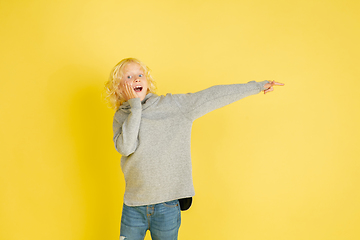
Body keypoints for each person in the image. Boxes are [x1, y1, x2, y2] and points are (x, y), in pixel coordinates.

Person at [104, 58, 284, 240]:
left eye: (140, 74)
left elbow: (213, 95)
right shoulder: (121, 116)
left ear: (148, 82)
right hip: (133, 207)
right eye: (129, 76)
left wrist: (256, 87)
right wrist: (135, 107)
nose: (136, 78)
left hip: (167, 206)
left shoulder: (174, 106)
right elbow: (126, 148)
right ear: (119, 88)